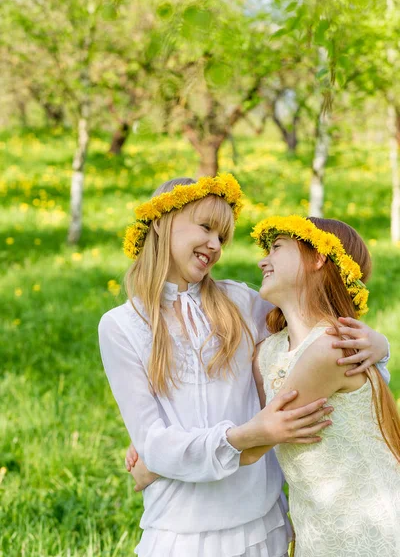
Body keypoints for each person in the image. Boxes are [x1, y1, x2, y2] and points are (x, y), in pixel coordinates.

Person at [99, 176, 390, 557]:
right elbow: (153, 439)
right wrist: (157, 457)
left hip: (261, 522)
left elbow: (316, 324)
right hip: (180, 526)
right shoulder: (122, 326)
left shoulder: (240, 301)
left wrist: (378, 344)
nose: (215, 245)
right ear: (159, 221)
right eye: (206, 228)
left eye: (223, 236)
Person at [247, 215, 400, 556]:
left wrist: (163, 458)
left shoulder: (332, 348)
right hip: (318, 527)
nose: (262, 260)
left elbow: (254, 442)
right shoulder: (267, 351)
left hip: (368, 529)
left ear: (318, 257)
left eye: (276, 248)